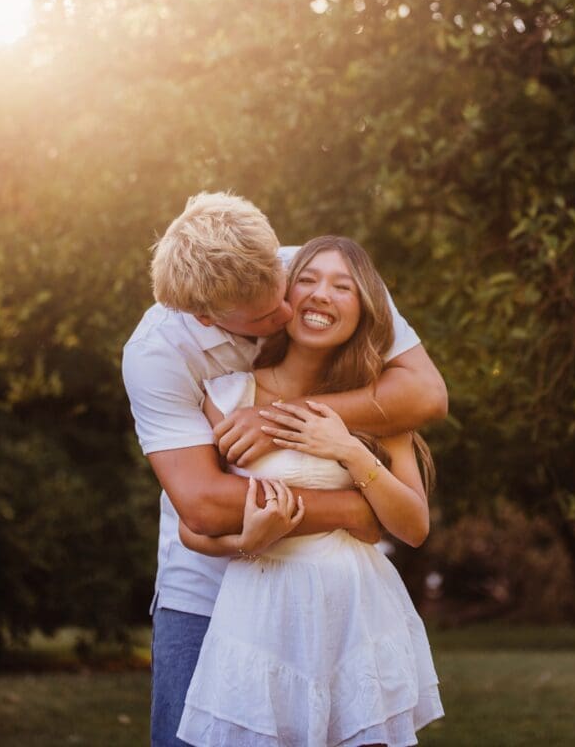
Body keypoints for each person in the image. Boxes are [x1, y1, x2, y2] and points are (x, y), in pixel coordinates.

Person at [123, 192, 447, 747]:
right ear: (207, 316)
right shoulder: (161, 354)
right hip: (207, 589)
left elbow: (425, 393)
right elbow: (202, 507)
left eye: (281, 287)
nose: (289, 311)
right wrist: (356, 511)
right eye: (265, 315)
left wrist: (280, 420)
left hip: (334, 600)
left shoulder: (317, 276)